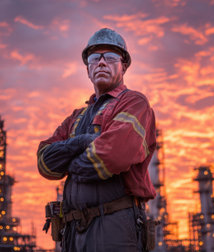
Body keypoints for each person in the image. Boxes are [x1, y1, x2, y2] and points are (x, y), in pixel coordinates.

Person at [37, 28, 156, 252]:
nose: (101, 63)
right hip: (72, 231)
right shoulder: (76, 117)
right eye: (94, 58)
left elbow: (112, 155)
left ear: (124, 66)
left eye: (110, 57)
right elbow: (45, 162)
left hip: (114, 227)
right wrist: (82, 142)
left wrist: (69, 164)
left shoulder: (133, 103)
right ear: (88, 68)